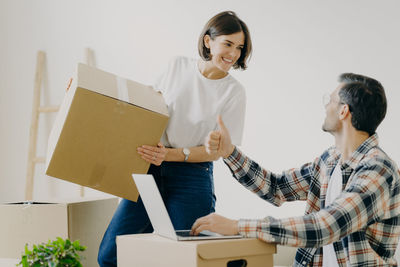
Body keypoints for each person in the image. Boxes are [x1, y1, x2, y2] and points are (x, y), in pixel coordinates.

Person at [191, 73, 400, 266]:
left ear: (343, 110)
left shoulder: (378, 169)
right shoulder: (329, 161)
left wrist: (237, 226)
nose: (326, 106)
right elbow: (277, 188)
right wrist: (229, 153)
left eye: (330, 100)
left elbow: (327, 226)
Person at [97, 11, 253, 267]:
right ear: (208, 41)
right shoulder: (177, 66)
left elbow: (217, 152)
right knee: (109, 256)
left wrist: (170, 154)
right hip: (149, 169)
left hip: (192, 177)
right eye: (228, 44)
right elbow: (145, 103)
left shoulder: (234, 92)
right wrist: (88, 93)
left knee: (191, 258)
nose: (234, 54)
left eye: (239, 47)